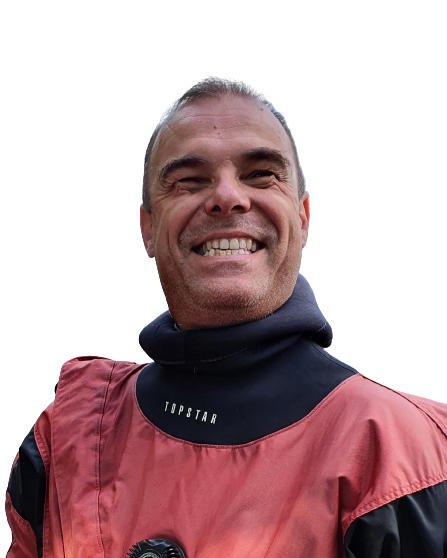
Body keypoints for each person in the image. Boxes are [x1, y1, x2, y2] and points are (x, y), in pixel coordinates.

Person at [5, 78, 447, 558]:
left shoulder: (410, 461)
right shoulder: (66, 442)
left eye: (261, 174)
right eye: (189, 180)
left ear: (302, 217)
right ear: (148, 227)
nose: (227, 196)